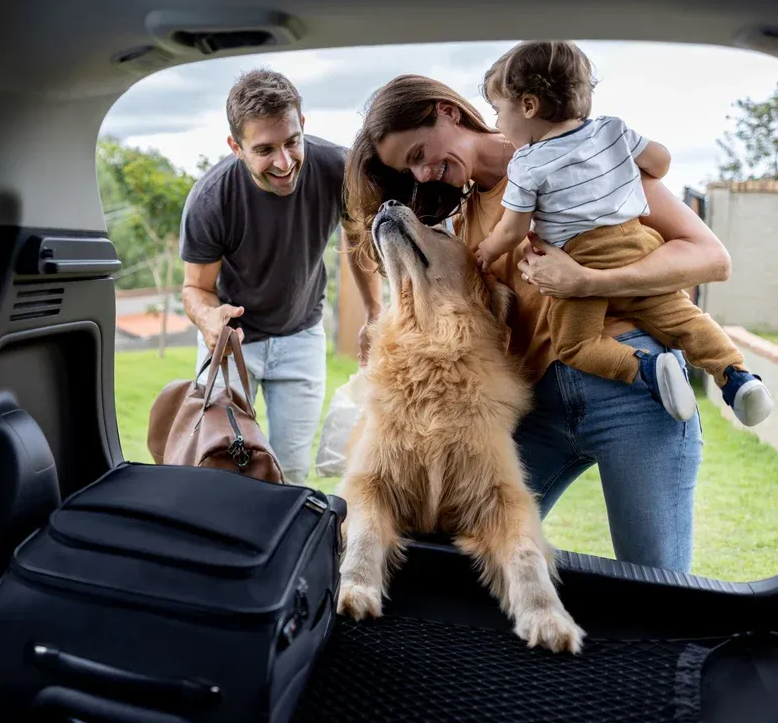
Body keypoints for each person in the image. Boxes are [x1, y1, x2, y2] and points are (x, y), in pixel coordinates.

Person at [343, 72, 733, 574]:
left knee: (656, 582)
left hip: (633, 392)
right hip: (538, 404)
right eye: (409, 169)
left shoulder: (583, 156)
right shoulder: (464, 220)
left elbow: (710, 258)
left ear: (448, 111)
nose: (422, 175)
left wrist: (587, 282)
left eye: (418, 154)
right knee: (457, 559)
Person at [473, 40, 772, 429]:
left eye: (498, 112)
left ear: (528, 106)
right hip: (639, 245)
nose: (497, 124)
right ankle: (737, 377)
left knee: (576, 345)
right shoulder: (612, 130)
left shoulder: (527, 165)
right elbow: (660, 161)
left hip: (582, 259)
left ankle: (647, 370)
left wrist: (486, 251)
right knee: (685, 319)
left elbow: (512, 229)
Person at [179, 68, 382, 485]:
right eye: (265, 149)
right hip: (232, 343)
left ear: (303, 125)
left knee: (288, 472)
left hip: (301, 337)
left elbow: (358, 240)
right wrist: (208, 320)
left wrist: (375, 313)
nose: (284, 162)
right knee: (222, 469)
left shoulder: (338, 169)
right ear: (236, 146)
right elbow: (196, 288)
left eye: (292, 141)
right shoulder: (211, 198)